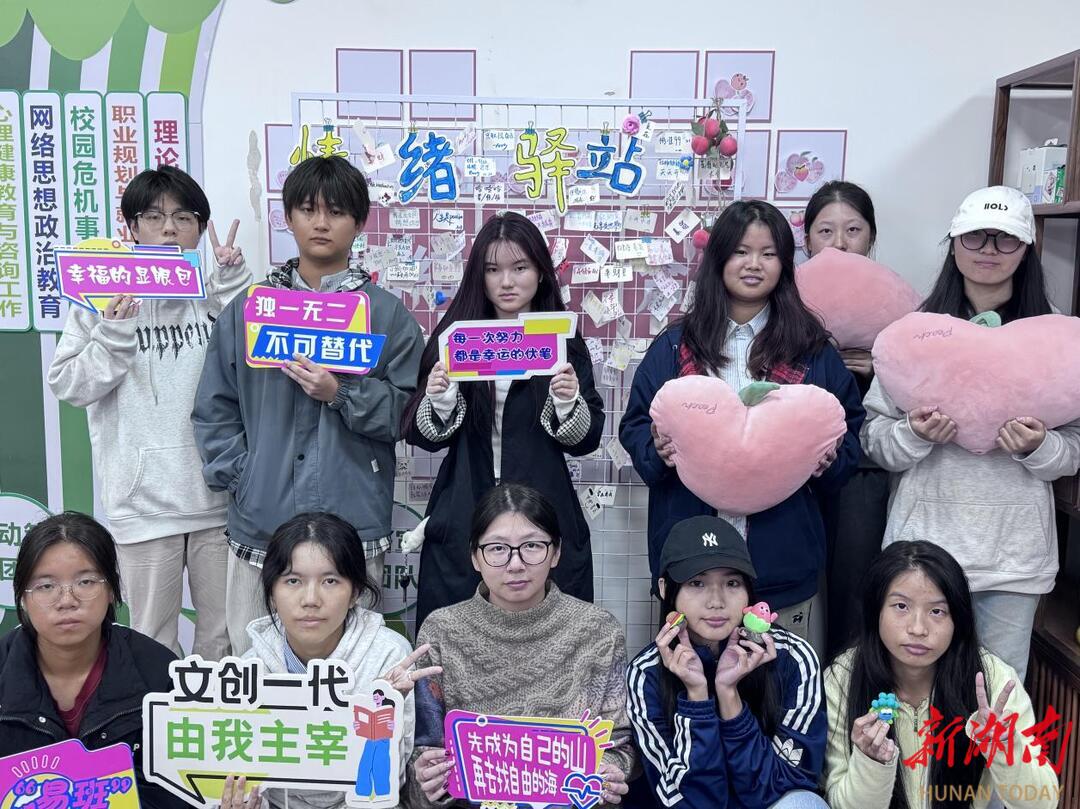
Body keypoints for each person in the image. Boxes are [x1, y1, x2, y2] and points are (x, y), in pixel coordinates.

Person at [193, 155, 424, 654]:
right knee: (255, 658)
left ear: (359, 223)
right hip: (262, 518)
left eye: (337, 212)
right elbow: (215, 407)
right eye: (307, 209)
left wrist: (341, 393)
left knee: (354, 662)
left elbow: (408, 413)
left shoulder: (386, 315)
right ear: (288, 218)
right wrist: (244, 476)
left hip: (353, 517)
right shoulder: (251, 309)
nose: (321, 223)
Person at [620, 199, 864, 653]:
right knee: (693, 681)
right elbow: (636, 425)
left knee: (783, 681)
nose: (754, 264)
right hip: (691, 565)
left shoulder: (812, 350)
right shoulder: (675, 346)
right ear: (719, 259)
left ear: (784, 264)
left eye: (768, 254)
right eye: (741, 252)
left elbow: (849, 432)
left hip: (783, 559)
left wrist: (829, 458)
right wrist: (657, 449)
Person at [861, 185, 1080, 681]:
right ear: (954, 243)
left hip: (1014, 558)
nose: (989, 250)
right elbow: (874, 440)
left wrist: (1039, 446)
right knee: (914, 692)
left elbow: (1073, 449)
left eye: (1005, 239)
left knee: (997, 696)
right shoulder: (914, 336)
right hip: (922, 550)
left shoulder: (1057, 341)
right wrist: (915, 434)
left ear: (1026, 248)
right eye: (976, 236)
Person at [48, 166, 249, 658]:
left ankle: (216, 712)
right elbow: (69, 385)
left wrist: (232, 286)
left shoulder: (216, 298)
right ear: (132, 228)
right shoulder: (100, 300)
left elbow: (258, 368)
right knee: (150, 639)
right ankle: (151, 712)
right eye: (154, 217)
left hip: (218, 501)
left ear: (200, 229)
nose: (169, 229)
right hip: (142, 506)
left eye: (184, 217)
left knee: (223, 637)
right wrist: (114, 332)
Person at [402, 211, 604, 630]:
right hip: (465, 504)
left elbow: (587, 439)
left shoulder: (561, 339)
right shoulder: (457, 336)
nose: (506, 282)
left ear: (541, 273)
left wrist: (567, 403)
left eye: (520, 268)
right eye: (493, 270)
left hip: (543, 503)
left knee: (551, 631)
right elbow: (422, 436)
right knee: (457, 631)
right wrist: (440, 399)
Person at [406, 484, 635, 808]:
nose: (515, 564)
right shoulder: (441, 631)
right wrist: (428, 778)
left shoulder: (598, 631)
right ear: (475, 557)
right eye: (497, 548)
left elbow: (619, 745)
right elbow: (424, 751)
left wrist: (608, 773)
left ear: (556, 552)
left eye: (532, 546)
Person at [824, 540, 1059, 809]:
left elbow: (1043, 802)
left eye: (937, 611)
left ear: (957, 620)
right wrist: (870, 763)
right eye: (901, 606)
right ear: (875, 609)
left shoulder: (993, 679)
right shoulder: (843, 678)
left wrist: (1005, 747)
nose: (918, 628)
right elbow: (841, 804)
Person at [240, 512, 439, 809]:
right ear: (272, 593)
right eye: (293, 580)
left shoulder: (389, 656)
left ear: (355, 591)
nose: (310, 599)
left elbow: (390, 783)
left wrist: (381, 710)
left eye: (330, 581)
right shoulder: (248, 669)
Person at [626, 515, 827, 809]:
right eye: (697, 583)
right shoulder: (646, 674)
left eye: (732, 583)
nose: (716, 601)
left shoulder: (793, 657)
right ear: (665, 588)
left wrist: (729, 697)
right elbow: (686, 802)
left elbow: (791, 784)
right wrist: (696, 699)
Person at [0, 512, 187, 808]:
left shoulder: (159, 672)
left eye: (85, 582)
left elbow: (174, 794)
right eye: (46, 586)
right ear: (23, 597)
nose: (67, 600)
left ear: (111, 589)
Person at [800, 180, 890, 657]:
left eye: (853, 230)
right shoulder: (786, 298)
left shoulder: (893, 301)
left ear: (871, 236)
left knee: (855, 589)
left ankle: (845, 684)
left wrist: (882, 367)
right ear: (806, 239)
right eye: (826, 230)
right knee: (791, 588)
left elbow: (923, 389)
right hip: (795, 463)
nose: (839, 243)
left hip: (863, 469)